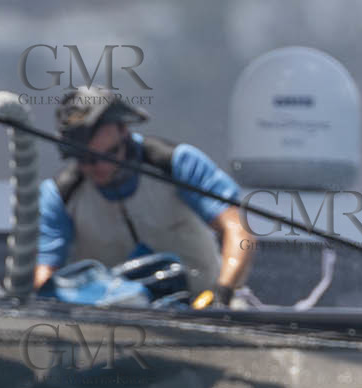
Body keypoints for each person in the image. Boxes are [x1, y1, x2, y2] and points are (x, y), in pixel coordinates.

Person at [34, 86, 253, 305]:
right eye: (86, 160)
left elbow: (239, 229)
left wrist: (223, 292)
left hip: (206, 305)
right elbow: (43, 276)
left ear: (123, 130)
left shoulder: (176, 163)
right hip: (111, 316)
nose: (100, 167)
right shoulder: (60, 195)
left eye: (111, 154)